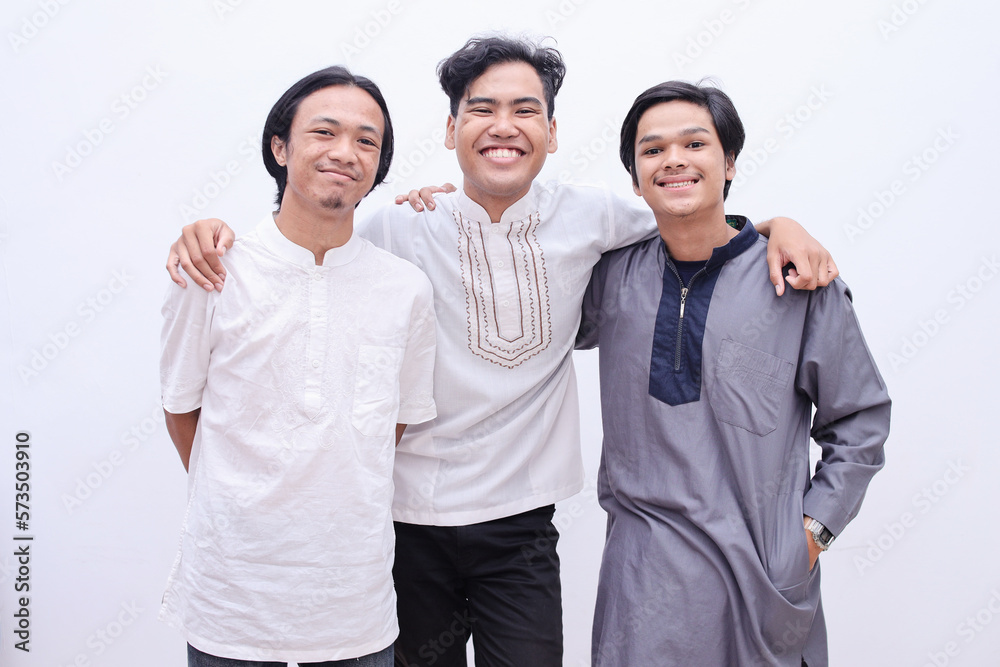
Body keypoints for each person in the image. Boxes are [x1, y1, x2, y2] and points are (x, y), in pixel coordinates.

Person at [166, 37, 838, 667]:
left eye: (525, 110)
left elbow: (695, 219)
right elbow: (309, 247)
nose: (503, 126)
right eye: (482, 109)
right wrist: (209, 231)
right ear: (451, 129)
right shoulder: (398, 227)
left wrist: (779, 226)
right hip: (405, 526)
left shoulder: (593, 216)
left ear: (552, 131)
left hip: (520, 529)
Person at [576, 80, 891, 666]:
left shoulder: (798, 283)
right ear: (635, 178)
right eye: (652, 150)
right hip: (642, 587)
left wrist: (811, 535)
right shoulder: (610, 278)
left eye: (695, 144)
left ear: (730, 163)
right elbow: (519, 290)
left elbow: (860, 422)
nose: (674, 160)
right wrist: (448, 210)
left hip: (762, 584)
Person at [159, 65, 437, 667]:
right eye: (324, 132)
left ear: (378, 167)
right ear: (280, 147)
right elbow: (181, 408)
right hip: (230, 601)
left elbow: (391, 426)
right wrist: (240, 498)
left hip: (354, 606)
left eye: (367, 141)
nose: (345, 152)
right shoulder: (213, 271)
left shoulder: (406, 289)